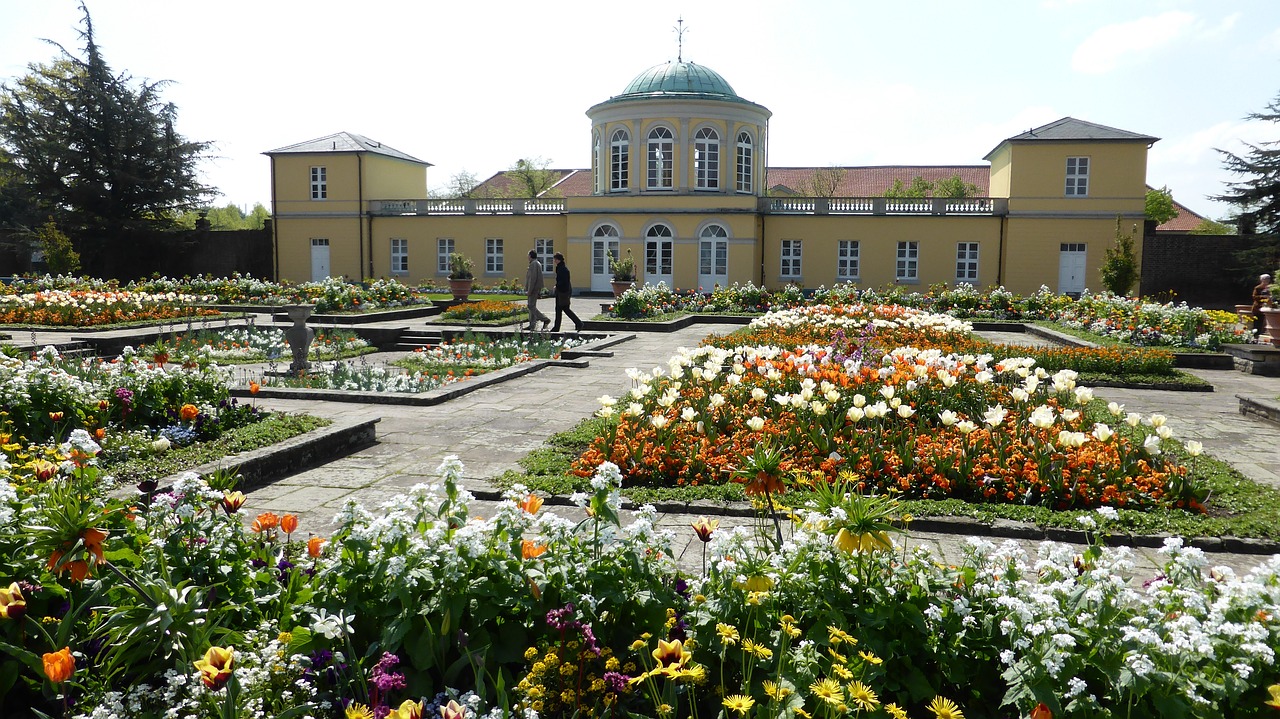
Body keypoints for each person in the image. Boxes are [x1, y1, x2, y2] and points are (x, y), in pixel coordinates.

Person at [551, 252, 583, 333]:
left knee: (562, 309)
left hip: (563, 292)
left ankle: (578, 323)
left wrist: (557, 286)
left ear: (558, 260)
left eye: (555, 259)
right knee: (563, 309)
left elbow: (563, 281)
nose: (554, 261)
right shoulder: (561, 268)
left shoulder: (562, 269)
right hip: (563, 291)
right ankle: (578, 323)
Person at [524, 250, 551, 331]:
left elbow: (533, 279)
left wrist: (529, 290)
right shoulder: (536, 263)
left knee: (530, 306)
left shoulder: (534, 264)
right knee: (532, 306)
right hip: (535, 288)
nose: (527, 257)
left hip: (533, 289)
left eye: (528, 255)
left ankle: (545, 319)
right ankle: (532, 325)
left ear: (531, 256)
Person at [1252, 273, 1273, 338]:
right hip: (1258, 308)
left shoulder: (1271, 288)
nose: (1267, 280)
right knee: (1257, 323)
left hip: (1269, 307)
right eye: (1265, 279)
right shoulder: (1258, 288)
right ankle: (1255, 336)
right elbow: (1254, 297)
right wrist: (1263, 297)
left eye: (1268, 279)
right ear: (1262, 280)